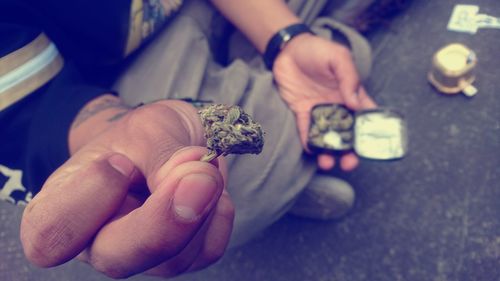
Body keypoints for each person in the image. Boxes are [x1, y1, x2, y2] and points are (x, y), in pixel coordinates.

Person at [0, 0, 409, 278]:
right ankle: (282, 167)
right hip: (101, 73)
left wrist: (285, 38)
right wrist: (125, 134)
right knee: (226, 193)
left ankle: (272, 105)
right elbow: (33, 113)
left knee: (308, 96)